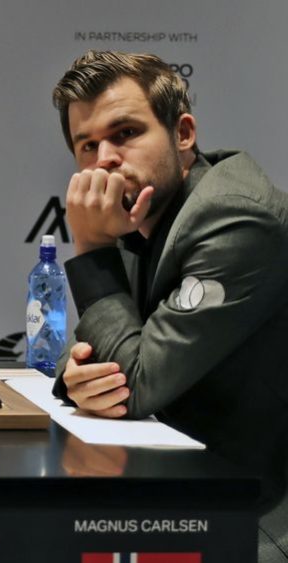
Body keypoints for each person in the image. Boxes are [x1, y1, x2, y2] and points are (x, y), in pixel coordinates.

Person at [50, 50, 288, 562]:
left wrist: (90, 248)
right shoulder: (144, 213)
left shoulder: (234, 219)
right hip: (191, 491)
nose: (105, 159)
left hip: (262, 520)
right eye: (87, 145)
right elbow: (101, 346)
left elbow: (135, 383)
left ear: (183, 133)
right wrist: (75, 375)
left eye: (125, 133)